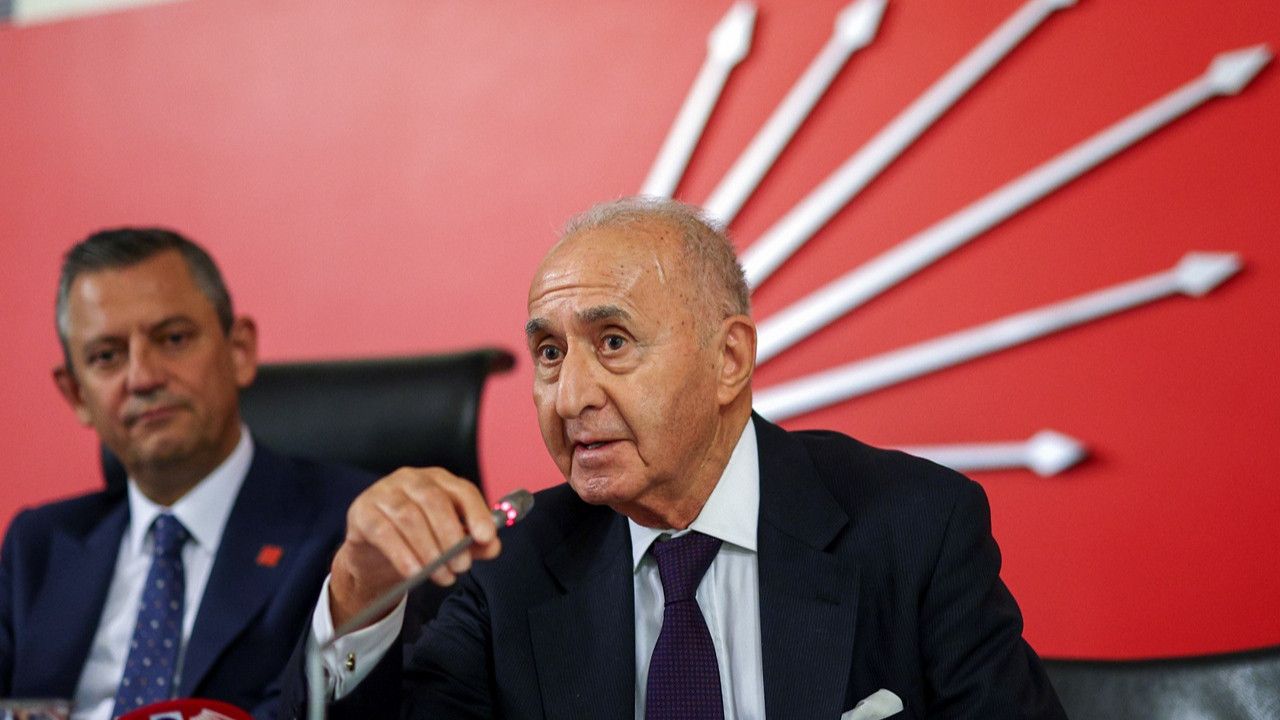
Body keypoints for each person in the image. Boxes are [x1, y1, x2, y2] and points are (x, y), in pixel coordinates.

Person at [287, 197, 1066, 719]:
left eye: (613, 342)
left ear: (729, 360)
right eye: (551, 353)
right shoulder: (507, 569)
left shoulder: (913, 527)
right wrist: (361, 594)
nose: (570, 397)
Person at [0, 229, 373, 719]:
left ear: (239, 350)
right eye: (106, 356)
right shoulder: (39, 546)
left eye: (173, 339)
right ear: (75, 394)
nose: (143, 377)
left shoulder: (348, 532)